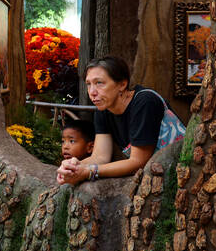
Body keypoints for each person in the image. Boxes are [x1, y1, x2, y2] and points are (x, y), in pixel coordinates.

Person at [56, 55, 184, 185]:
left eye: (99, 83)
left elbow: (137, 162)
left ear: (122, 84)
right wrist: (72, 167)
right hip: (157, 178)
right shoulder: (104, 108)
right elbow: (100, 157)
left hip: (182, 174)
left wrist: (89, 171)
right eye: (89, 84)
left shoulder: (145, 102)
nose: (92, 92)